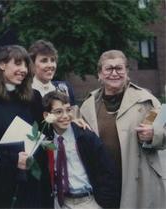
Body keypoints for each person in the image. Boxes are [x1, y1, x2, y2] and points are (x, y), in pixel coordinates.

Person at [0, 45, 52, 208]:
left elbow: (45, 136)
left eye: (26, 65)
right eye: (18, 63)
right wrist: (13, 160)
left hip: (31, 184)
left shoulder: (33, 98)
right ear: (2, 65)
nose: (24, 69)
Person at [80, 49, 166, 208]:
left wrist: (154, 135)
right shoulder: (88, 106)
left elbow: (164, 132)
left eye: (119, 68)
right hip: (103, 185)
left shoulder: (146, 101)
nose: (114, 73)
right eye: (108, 69)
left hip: (140, 182)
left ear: (127, 71)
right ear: (100, 74)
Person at [42, 91, 119, 209]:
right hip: (61, 202)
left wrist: (103, 204)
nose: (65, 116)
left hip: (88, 201)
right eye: (58, 112)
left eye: (68, 110)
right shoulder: (45, 140)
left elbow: (107, 170)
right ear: (46, 116)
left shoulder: (85, 136)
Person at [28, 40, 75, 104]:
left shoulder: (65, 88)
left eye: (53, 60)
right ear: (32, 65)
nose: (50, 65)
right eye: (44, 61)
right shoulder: (25, 93)